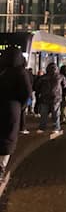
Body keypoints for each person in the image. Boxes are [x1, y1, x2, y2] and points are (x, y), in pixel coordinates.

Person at [0, 47, 32, 177]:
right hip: (12, 109)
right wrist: (19, 107)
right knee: (8, 138)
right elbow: (27, 93)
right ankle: (1, 167)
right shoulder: (20, 72)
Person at [34, 63, 66, 133]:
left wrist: (41, 91)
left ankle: (42, 128)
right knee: (56, 113)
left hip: (44, 97)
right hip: (56, 97)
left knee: (44, 114)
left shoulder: (43, 77)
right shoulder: (60, 76)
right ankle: (56, 128)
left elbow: (37, 86)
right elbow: (65, 85)